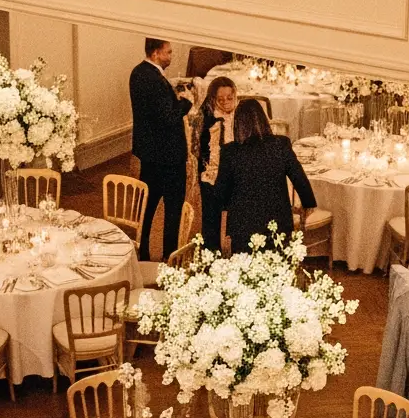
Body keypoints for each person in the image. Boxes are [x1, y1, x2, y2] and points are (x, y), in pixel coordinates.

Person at [214, 98, 316, 257]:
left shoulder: (230, 152)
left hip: (243, 224)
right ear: (263, 119)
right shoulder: (281, 144)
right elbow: (299, 177)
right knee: (279, 265)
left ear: (238, 123)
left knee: (245, 270)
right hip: (277, 220)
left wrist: (227, 205)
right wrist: (308, 203)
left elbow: (221, 192)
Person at [128, 36, 189, 261]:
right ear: (156, 53)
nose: (171, 57)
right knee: (173, 210)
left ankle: (141, 251)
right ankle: (169, 257)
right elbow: (168, 117)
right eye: (169, 52)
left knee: (146, 206)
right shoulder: (153, 79)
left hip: (149, 154)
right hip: (169, 157)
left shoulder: (137, 73)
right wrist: (185, 102)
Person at [194, 74, 238, 251]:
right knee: (211, 220)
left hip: (235, 174)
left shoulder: (240, 115)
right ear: (213, 98)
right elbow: (197, 149)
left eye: (230, 98)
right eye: (221, 99)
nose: (226, 102)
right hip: (211, 174)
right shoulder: (206, 117)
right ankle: (211, 255)